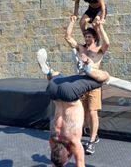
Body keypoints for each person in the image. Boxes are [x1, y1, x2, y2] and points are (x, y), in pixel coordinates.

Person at [36, 48, 109, 167]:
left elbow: (80, 164)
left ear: (69, 155)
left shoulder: (74, 143)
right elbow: (56, 161)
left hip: (70, 94)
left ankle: (86, 68)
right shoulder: (53, 139)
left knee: (105, 77)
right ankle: (49, 71)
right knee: (58, 77)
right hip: (53, 89)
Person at [65, 14, 110, 154]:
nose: (86, 38)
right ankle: (93, 135)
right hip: (81, 85)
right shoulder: (81, 49)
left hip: (94, 84)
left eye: (89, 36)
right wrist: (72, 22)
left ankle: (91, 142)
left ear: (94, 38)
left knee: (92, 112)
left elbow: (107, 42)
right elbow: (68, 37)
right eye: (85, 36)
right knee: (83, 113)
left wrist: (100, 27)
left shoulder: (99, 51)